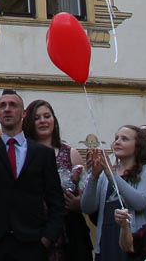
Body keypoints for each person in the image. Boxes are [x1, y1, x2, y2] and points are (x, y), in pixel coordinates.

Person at [0, 87, 64, 259]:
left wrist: (47, 237)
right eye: (2, 106)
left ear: (24, 113)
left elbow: (56, 200)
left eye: (13, 105)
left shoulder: (42, 154)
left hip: (31, 242)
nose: (7, 109)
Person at [23, 99, 91, 261]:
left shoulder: (70, 153)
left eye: (47, 116)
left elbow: (86, 193)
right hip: (34, 227)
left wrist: (78, 203)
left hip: (69, 228)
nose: (43, 121)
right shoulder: (23, 153)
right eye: (37, 118)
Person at [81, 125, 146, 261]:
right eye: (116, 138)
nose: (117, 142)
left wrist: (112, 174)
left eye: (124, 139)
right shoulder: (106, 174)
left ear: (138, 146)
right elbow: (87, 207)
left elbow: (140, 203)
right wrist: (94, 176)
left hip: (132, 241)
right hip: (106, 239)